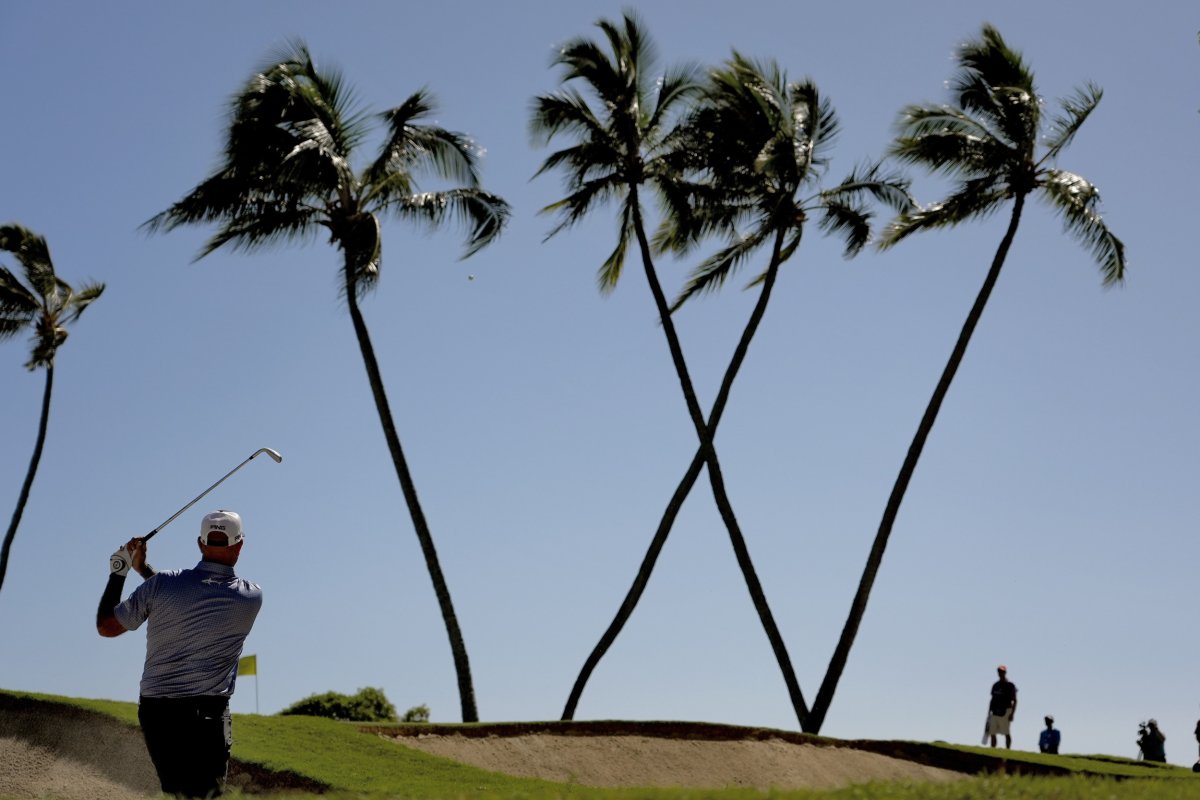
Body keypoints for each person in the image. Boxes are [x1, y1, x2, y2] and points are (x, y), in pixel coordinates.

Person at [96, 510, 263, 798]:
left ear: (200, 544)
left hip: (157, 712)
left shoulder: (162, 585)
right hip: (207, 715)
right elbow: (190, 596)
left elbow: (108, 626)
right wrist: (146, 571)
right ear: (240, 546)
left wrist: (120, 570)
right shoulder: (250, 596)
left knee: (176, 794)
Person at [986, 664, 1018, 749]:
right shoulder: (995, 685)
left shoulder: (1010, 685)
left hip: (1006, 711)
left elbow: (1014, 701)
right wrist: (989, 712)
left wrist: (1012, 714)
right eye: (999, 672)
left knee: (1006, 732)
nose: (1000, 673)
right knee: (992, 732)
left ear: (1005, 673)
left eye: (1002, 672)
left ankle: (1008, 749)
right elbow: (992, 699)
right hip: (995, 711)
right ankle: (993, 749)